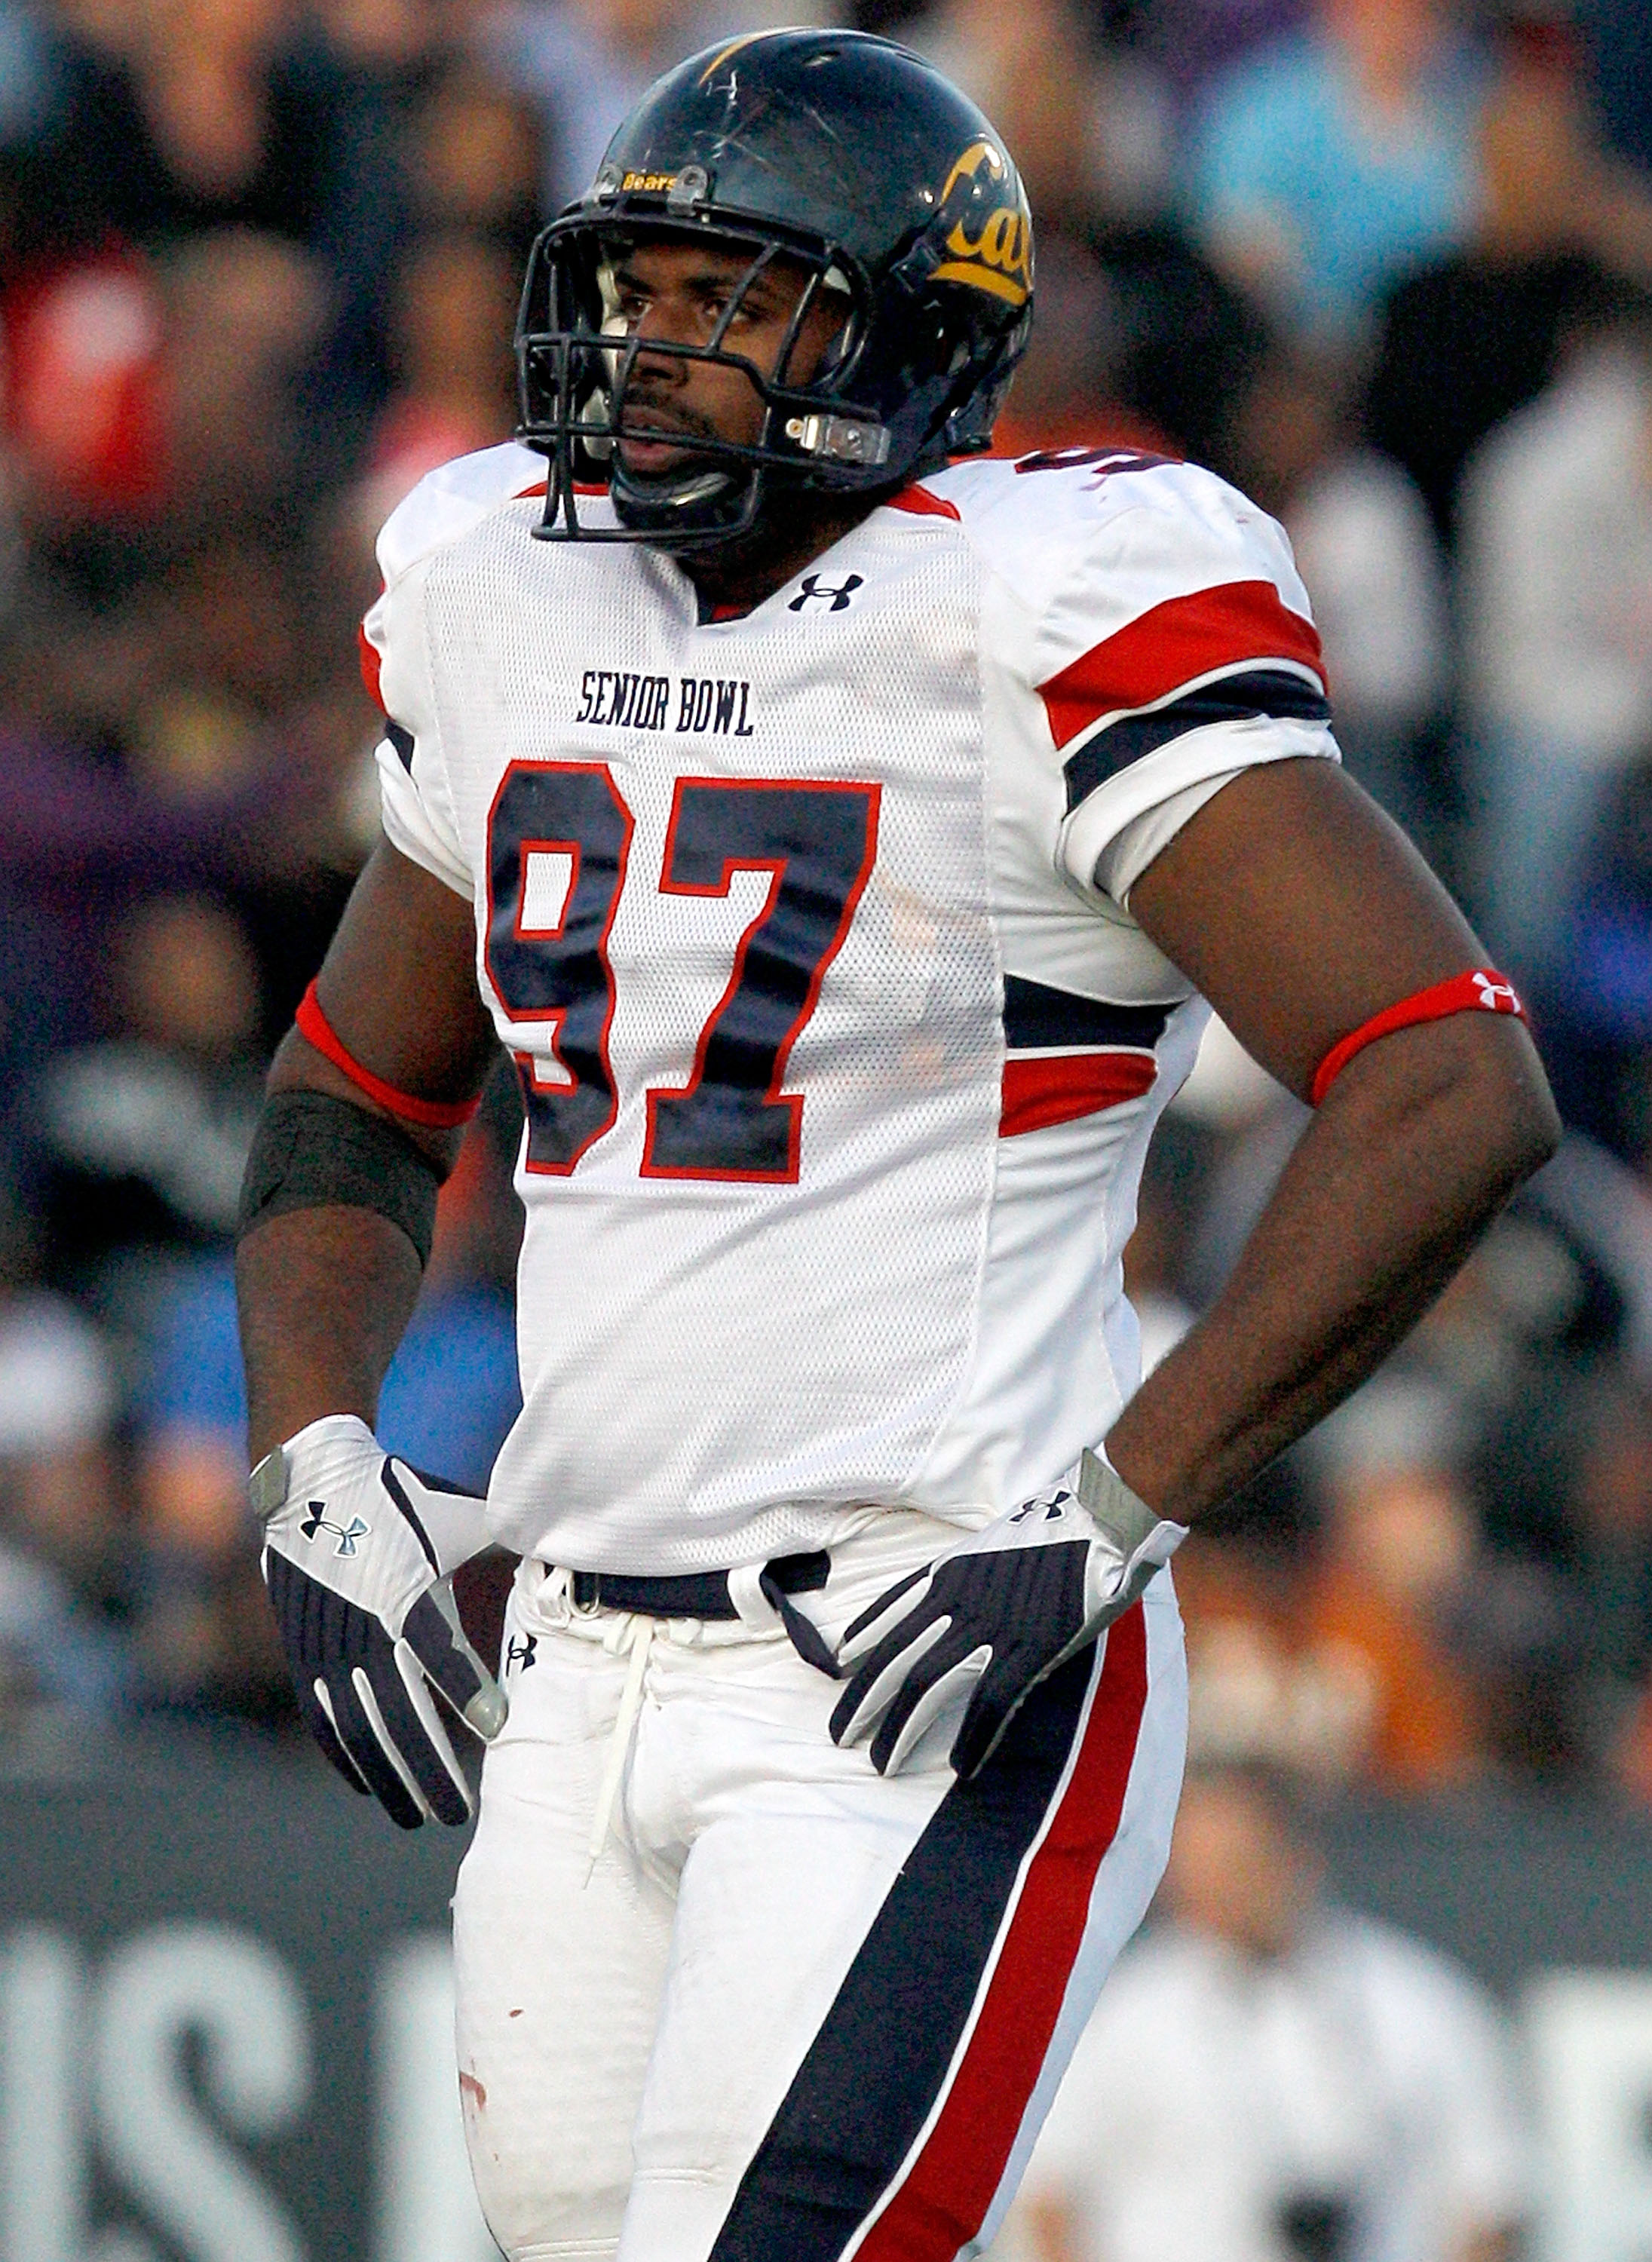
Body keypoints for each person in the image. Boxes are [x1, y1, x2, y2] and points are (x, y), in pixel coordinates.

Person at [231, 29, 1558, 2262]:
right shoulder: (507, 579)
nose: (652, 350)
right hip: (572, 1654)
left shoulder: (1033, 609)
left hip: (919, 1644)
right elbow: (353, 1101)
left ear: (899, 341)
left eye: (731, 301)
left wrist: (1112, 1509)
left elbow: (1447, 1077)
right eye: (641, 287)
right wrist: (313, 1460)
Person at [1012, 1757, 1528, 2262]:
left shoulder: (1419, 2002)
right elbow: (1052, 2195)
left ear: (1295, 1857)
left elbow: (1490, 2196)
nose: (1211, 1890)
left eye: (1237, 1864)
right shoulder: (1123, 2015)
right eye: (1194, 1869)